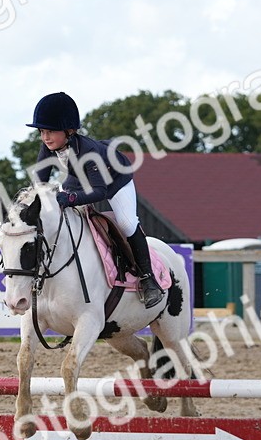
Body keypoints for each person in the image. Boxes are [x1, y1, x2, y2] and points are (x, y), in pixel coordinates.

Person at [27, 91, 164, 308]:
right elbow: (40, 184)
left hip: (114, 181)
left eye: (51, 131)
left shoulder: (89, 151)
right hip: (79, 179)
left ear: (69, 131)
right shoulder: (48, 147)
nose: (45, 137)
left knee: (127, 223)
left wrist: (69, 198)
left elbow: (99, 191)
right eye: (42, 131)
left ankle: (149, 279)